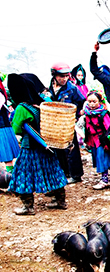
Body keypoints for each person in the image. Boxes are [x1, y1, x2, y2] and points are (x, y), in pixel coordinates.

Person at [7, 73, 68, 214]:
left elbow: (16, 129)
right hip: (47, 145)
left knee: (22, 175)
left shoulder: (22, 108)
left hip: (30, 147)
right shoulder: (44, 103)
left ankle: (27, 206)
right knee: (53, 172)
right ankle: (60, 201)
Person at [48, 62, 86, 184]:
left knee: (72, 148)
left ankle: (76, 174)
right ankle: (65, 172)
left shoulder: (72, 89)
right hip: (55, 123)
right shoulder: (49, 89)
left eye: (66, 76)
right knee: (58, 148)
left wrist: (75, 115)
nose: (64, 79)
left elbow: (82, 102)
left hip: (68, 123)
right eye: (61, 76)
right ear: (54, 75)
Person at [81, 90, 110, 190]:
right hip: (93, 140)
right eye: (89, 101)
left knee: (101, 158)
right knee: (102, 157)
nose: (92, 104)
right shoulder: (87, 113)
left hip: (102, 140)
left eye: (94, 101)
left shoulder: (103, 114)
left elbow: (109, 129)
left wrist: (107, 142)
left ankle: (104, 180)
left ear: (100, 101)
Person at [0, 77, 20, 173]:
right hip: (3, 125)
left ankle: (9, 177)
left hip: (2, 126)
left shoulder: (0, 93)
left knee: (7, 155)